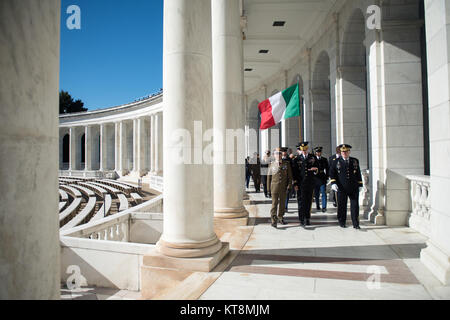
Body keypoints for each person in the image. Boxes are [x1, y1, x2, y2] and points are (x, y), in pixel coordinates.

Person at [329, 144, 363, 229]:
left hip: (353, 187)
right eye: (343, 152)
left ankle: (356, 223)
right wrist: (333, 183)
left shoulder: (354, 161)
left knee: (355, 206)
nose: (344, 153)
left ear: (349, 152)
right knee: (341, 206)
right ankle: (342, 222)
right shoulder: (336, 161)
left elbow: (358, 173)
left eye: (346, 151)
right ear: (341, 152)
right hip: (341, 188)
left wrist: (360, 184)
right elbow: (332, 173)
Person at [292, 141, 318, 227]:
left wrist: (315, 170)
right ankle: (301, 218)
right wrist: (295, 183)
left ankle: (307, 218)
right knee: (301, 201)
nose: (304, 151)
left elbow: (318, 168)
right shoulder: (297, 159)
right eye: (303, 150)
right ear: (300, 150)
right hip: (300, 183)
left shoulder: (313, 157)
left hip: (310, 182)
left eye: (305, 150)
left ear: (307, 149)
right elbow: (294, 172)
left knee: (308, 201)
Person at [267, 148, 293, 228]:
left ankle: (280, 217)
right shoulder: (271, 164)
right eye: (276, 154)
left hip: (283, 187)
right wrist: (268, 189)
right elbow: (269, 178)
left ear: (282, 155)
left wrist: (289, 186)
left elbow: (290, 176)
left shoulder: (286, 164)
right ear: (274, 155)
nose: (278, 155)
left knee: (282, 204)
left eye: (280, 154)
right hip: (274, 187)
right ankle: (273, 220)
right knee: (274, 204)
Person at [313, 146, 329, 212]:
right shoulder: (313, 159)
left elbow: (327, 168)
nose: (318, 153)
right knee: (316, 193)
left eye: (319, 152)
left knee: (323, 192)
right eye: (317, 152)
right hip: (315, 178)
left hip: (322, 177)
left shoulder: (324, 159)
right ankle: (317, 205)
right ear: (315, 153)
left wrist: (327, 176)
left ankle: (324, 206)